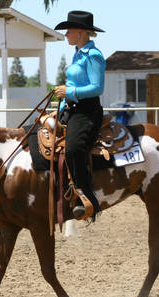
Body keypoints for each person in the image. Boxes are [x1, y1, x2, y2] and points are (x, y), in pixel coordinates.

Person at [53, 10, 106, 220]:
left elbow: (97, 87)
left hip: (87, 109)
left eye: (69, 30)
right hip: (72, 107)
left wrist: (70, 92)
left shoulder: (94, 55)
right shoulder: (78, 53)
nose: (65, 34)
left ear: (81, 32)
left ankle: (86, 198)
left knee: (74, 147)